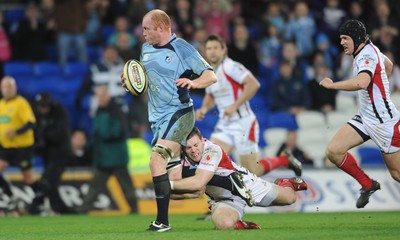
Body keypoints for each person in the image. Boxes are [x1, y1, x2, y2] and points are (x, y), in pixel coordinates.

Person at [120, 9, 217, 232]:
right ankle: (215, 180)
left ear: (161, 28)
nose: (142, 33)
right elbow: (143, 78)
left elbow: (211, 75)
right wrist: (129, 82)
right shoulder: (145, 49)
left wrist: (194, 83)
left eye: (147, 28)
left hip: (180, 113)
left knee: (156, 162)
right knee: (177, 182)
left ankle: (162, 222)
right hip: (158, 119)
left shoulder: (181, 48)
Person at [319, 19, 400, 208]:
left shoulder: (367, 56)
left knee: (397, 174)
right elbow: (388, 65)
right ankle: (368, 184)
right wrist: (381, 83)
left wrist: (332, 85)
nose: (341, 42)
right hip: (365, 118)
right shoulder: (370, 50)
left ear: (356, 38)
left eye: (345, 38)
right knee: (333, 151)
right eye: (340, 38)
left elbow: (362, 82)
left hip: (384, 124)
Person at [196, 35, 302, 177]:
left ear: (224, 50)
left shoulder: (231, 66)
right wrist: (203, 108)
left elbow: (254, 84)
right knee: (210, 160)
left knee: (254, 170)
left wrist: (234, 105)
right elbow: (210, 95)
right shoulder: (210, 72)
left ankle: (284, 159)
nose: (212, 51)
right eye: (209, 48)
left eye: (216, 48)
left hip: (243, 123)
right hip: (225, 124)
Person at [168, 127, 308, 230]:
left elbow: (198, 183)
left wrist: (167, 186)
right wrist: (170, 192)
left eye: (196, 145)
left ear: (202, 140)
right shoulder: (181, 162)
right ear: (183, 149)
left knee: (290, 198)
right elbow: (197, 191)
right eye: (188, 147)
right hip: (224, 200)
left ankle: (286, 183)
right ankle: (242, 224)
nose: (193, 150)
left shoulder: (212, 150)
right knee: (224, 225)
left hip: (246, 185)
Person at [77, 85, 137, 214]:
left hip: (116, 157)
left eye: (101, 96)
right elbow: (96, 134)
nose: (99, 99)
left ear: (107, 96)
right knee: (95, 186)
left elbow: (117, 132)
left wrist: (101, 133)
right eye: (98, 96)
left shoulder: (116, 111)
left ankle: (135, 209)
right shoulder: (100, 110)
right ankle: (83, 210)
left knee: (125, 186)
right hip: (104, 157)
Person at [28, 92, 73, 215]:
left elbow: (60, 134)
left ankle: (34, 206)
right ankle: (62, 209)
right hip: (47, 154)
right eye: (40, 106)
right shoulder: (36, 113)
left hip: (60, 153)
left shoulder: (59, 111)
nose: (43, 109)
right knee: (51, 184)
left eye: (45, 106)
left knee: (46, 181)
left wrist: (42, 136)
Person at [0, 76, 36, 216]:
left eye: (10, 86)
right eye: (4, 86)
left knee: (28, 178)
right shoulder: (1, 104)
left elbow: (31, 123)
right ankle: (10, 197)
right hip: (5, 146)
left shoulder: (22, 103)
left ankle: (41, 198)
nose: (7, 89)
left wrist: (16, 132)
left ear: (15, 88)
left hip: (22, 147)